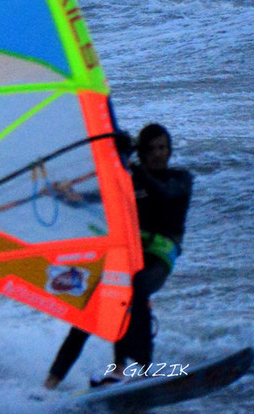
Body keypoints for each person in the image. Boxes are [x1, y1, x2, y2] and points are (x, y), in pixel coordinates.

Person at [42, 123, 193, 389]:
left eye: (163, 148)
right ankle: (49, 385)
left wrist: (131, 166)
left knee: (130, 289)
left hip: (159, 256)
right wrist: (58, 194)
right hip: (131, 255)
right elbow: (85, 199)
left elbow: (164, 193)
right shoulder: (129, 181)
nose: (158, 154)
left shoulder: (180, 179)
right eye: (152, 149)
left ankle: (126, 369)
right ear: (142, 152)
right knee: (89, 311)